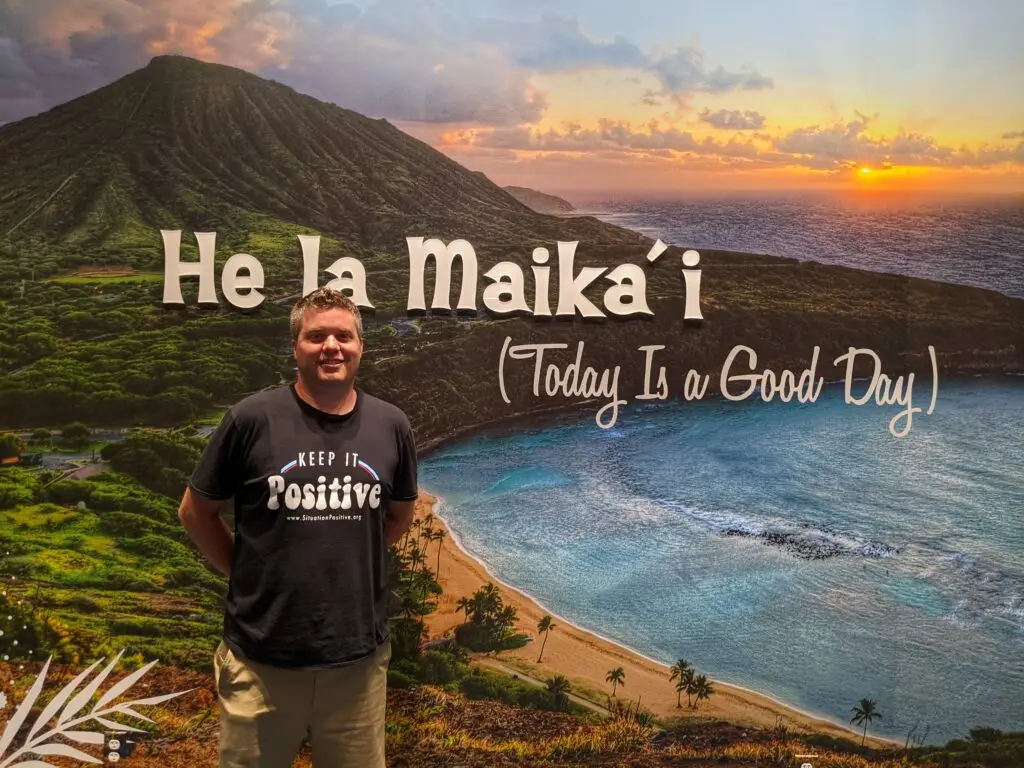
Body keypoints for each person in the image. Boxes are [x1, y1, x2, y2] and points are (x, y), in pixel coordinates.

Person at [177, 287, 418, 767]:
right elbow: (195, 513)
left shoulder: (392, 425)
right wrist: (248, 570)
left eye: (343, 336)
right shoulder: (251, 419)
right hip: (260, 660)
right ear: (295, 348)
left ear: (360, 347)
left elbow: (398, 518)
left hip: (357, 665)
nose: (332, 346)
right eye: (316, 336)